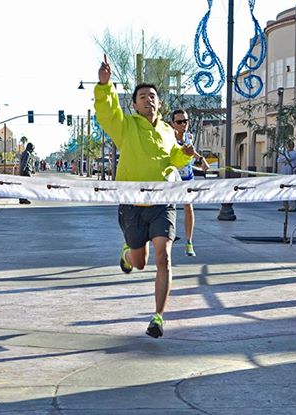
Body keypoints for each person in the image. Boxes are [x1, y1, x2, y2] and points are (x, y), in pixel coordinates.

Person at [95, 54, 195, 338]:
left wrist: (183, 154)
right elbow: (107, 113)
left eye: (152, 96)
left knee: (163, 257)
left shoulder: (167, 130)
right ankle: (128, 255)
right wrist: (105, 86)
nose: (148, 99)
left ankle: (158, 317)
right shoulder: (125, 127)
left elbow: (171, 160)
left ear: (159, 102)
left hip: (162, 203)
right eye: (142, 96)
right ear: (135, 104)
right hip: (132, 204)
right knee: (141, 262)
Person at [171, 109, 209, 256]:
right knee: (168, 207)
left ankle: (189, 242)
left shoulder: (188, 136)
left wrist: (201, 159)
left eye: (185, 121)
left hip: (187, 177)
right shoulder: (168, 137)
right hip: (172, 178)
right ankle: (169, 234)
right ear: (172, 123)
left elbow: (191, 151)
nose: (183, 124)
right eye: (179, 122)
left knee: (189, 208)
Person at [277, 141, 296, 213]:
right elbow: (279, 160)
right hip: (284, 174)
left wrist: (285, 155)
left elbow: (288, 158)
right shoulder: (285, 153)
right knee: (284, 189)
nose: (288, 147)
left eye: (289, 145)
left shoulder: (295, 153)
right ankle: (285, 205)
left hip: (291, 173)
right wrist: (284, 155)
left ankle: (292, 207)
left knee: (292, 190)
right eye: (287, 145)